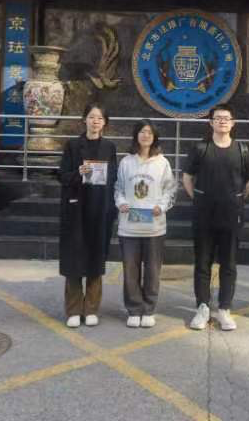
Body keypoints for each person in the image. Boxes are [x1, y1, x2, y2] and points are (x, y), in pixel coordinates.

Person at [182, 103, 249, 331]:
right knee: (202, 263)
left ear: (233, 123)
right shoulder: (200, 148)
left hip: (231, 215)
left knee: (229, 264)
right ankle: (202, 307)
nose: (222, 121)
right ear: (211, 123)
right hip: (204, 214)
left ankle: (224, 309)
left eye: (226, 118)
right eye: (218, 118)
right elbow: (187, 177)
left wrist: (237, 200)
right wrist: (198, 198)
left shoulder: (242, 150)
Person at [58, 103, 118, 328]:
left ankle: (91, 308)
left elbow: (113, 177)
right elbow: (62, 176)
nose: (95, 121)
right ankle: (73, 309)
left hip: (100, 208)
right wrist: (78, 173)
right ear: (84, 120)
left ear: (105, 123)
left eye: (100, 118)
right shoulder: (72, 145)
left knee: (95, 257)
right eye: (92, 117)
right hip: (76, 208)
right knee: (74, 258)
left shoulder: (110, 147)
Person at [115, 120, 177, 329]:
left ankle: (149, 309)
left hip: (154, 226)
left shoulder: (162, 163)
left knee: (152, 270)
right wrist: (121, 203)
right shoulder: (126, 162)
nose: (145, 135)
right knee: (130, 270)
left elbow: (170, 189)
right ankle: (134, 309)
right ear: (136, 135)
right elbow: (118, 188)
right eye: (142, 131)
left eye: (149, 132)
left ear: (155, 137)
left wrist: (162, 206)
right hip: (129, 226)